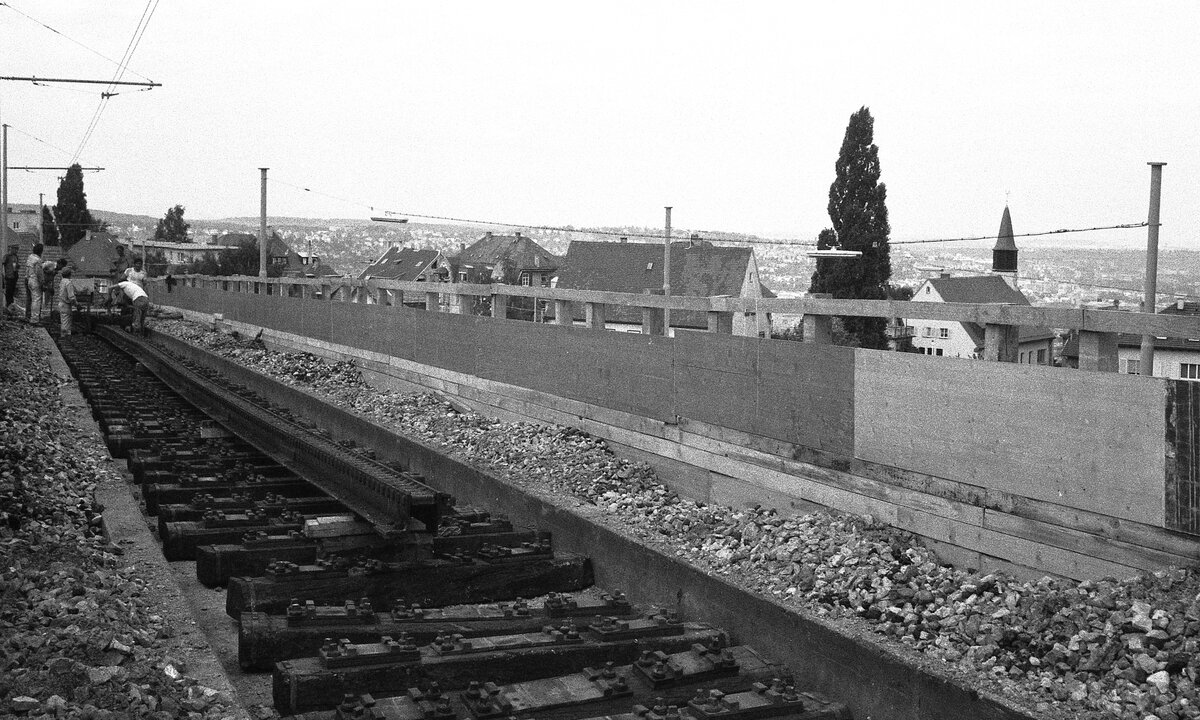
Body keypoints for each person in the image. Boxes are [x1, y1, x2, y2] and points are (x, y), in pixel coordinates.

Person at [26, 243, 44, 325]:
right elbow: (38, 273)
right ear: (40, 251)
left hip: (29, 279)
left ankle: (28, 316)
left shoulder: (30, 257)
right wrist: (42, 283)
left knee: (30, 299)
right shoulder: (37, 260)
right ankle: (35, 319)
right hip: (35, 280)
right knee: (36, 300)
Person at [57, 269, 78, 336]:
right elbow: (71, 297)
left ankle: (63, 336)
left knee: (63, 322)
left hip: (61, 303)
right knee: (66, 323)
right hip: (66, 305)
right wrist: (76, 304)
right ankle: (65, 338)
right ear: (69, 275)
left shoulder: (62, 281)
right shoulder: (68, 283)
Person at [3, 245, 18, 313]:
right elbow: (3, 264)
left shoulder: (15, 257)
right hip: (8, 277)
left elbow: (15, 266)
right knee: (8, 294)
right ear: (11, 249)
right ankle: (8, 307)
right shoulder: (7, 256)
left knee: (12, 294)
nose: (16, 251)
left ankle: (11, 308)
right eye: (15, 249)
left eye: (17, 249)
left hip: (14, 277)